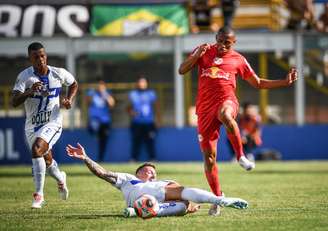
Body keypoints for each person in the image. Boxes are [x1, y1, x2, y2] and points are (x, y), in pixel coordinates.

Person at [178, 26, 298, 215]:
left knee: (226, 115)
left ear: (233, 43)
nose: (222, 45)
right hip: (204, 109)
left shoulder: (238, 60)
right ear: (216, 37)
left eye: (227, 43)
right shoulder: (203, 50)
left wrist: (284, 82)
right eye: (220, 40)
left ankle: (241, 156)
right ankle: (218, 197)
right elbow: (182, 70)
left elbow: (257, 82)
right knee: (209, 159)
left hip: (226, 101)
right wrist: (196, 56)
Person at [66, 143, 249, 218]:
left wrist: (190, 207)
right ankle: (220, 200)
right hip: (150, 194)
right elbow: (103, 173)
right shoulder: (128, 179)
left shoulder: (156, 182)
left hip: (154, 201)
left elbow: (183, 201)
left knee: (184, 204)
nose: (152, 174)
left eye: (154, 173)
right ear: (138, 173)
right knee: (180, 190)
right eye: (148, 171)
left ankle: (140, 210)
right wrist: (86, 158)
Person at [11, 42, 78, 209]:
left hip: (52, 122)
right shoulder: (24, 77)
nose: (40, 59)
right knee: (46, 161)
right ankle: (61, 178)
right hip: (31, 126)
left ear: (45, 56)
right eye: (36, 57)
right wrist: (29, 91)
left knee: (37, 149)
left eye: (42, 55)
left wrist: (69, 100)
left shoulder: (58, 73)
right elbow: (14, 102)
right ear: (30, 58)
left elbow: (74, 84)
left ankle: (39, 195)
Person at [127, 76, 158, 161]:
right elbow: (128, 107)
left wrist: (157, 120)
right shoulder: (133, 94)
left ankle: (152, 158)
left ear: (147, 84)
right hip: (136, 122)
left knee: (150, 141)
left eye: (143, 82)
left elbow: (156, 107)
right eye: (140, 82)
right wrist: (131, 112)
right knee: (136, 141)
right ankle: (134, 158)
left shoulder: (151, 94)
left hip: (149, 122)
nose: (141, 84)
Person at [86, 78, 115, 162]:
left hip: (104, 120)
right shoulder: (92, 93)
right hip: (94, 120)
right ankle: (95, 134)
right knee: (92, 128)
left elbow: (112, 104)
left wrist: (105, 94)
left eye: (102, 85)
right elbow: (87, 101)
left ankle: (101, 159)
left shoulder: (107, 93)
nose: (100, 87)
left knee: (104, 140)